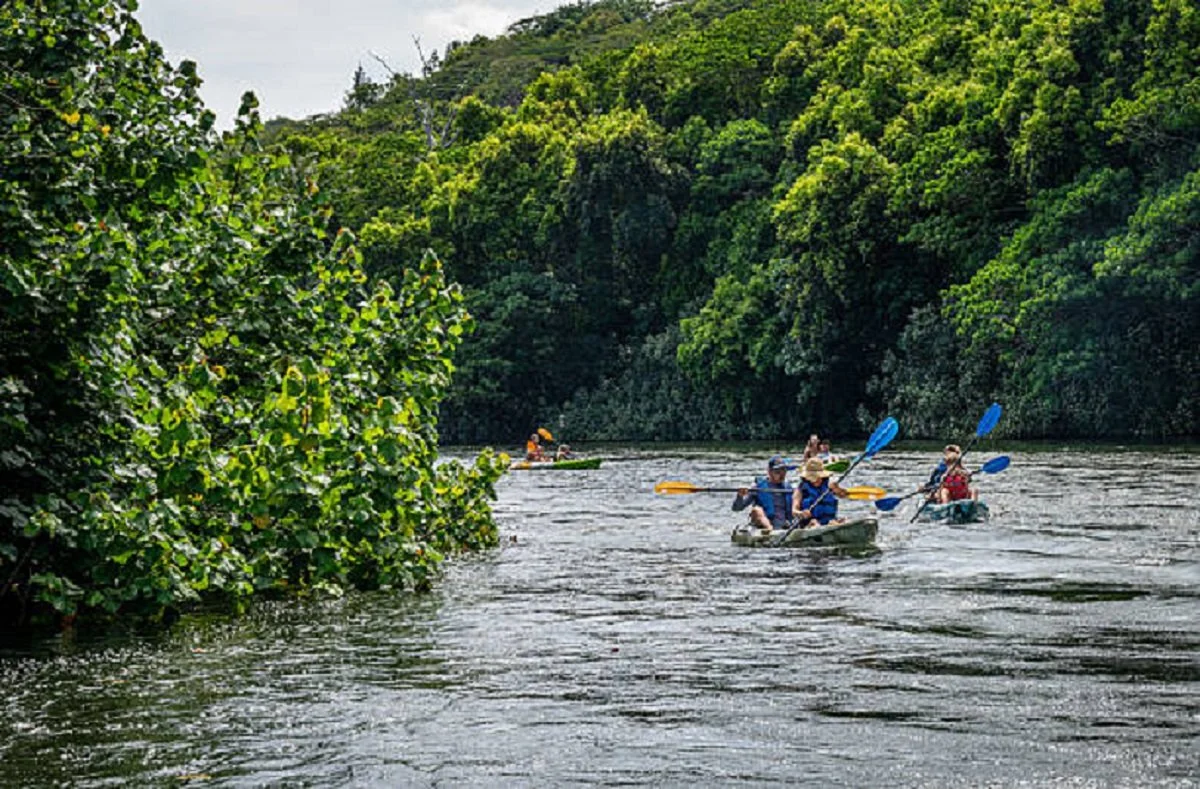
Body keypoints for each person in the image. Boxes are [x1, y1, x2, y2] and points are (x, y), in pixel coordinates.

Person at [732, 455, 794, 533]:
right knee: (757, 510)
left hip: (782, 524)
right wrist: (740, 496)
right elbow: (737, 508)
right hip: (762, 523)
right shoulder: (758, 487)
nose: (782, 475)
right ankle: (769, 528)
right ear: (770, 472)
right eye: (778, 472)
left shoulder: (787, 488)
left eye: (784, 471)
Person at [791, 457, 850, 527]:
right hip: (810, 524)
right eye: (815, 477)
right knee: (815, 523)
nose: (819, 480)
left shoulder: (828, 485)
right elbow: (794, 511)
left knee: (845, 520)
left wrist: (838, 489)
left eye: (820, 477)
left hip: (830, 521)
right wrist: (801, 513)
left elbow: (844, 495)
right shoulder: (800, 489)